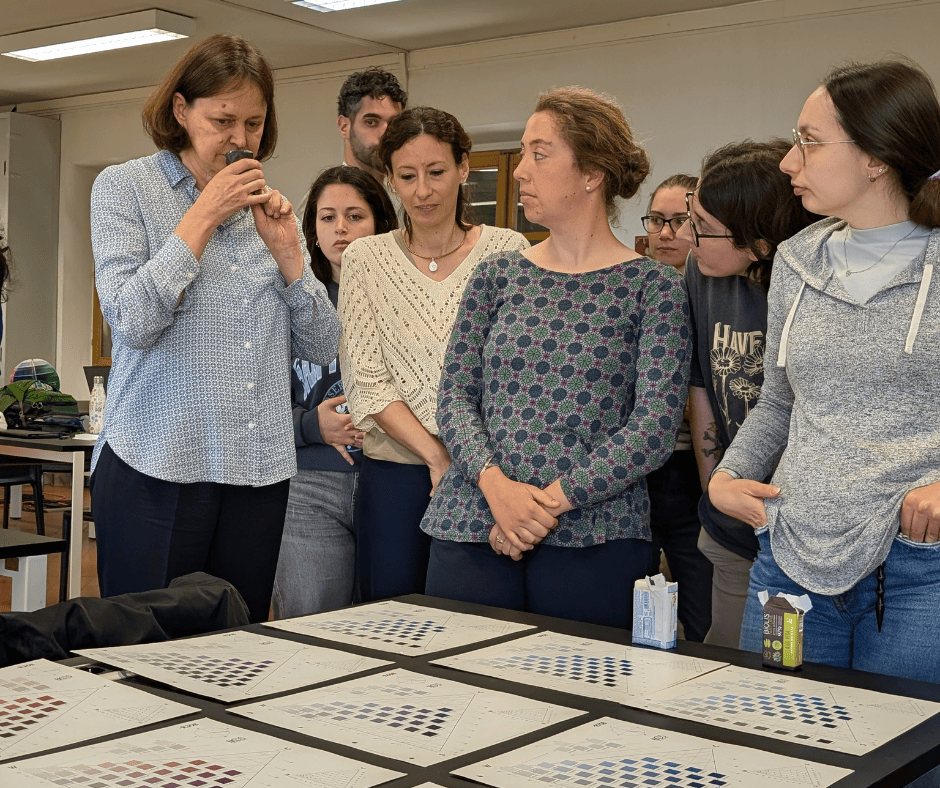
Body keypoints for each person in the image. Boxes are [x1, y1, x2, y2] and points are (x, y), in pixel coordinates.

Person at [89, 34, 339, 624]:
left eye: (253, 123)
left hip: (256, 471)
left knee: (234, 650)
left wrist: (291, 261)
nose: (239, 140)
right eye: (222, 119)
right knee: (144, 652)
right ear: (181, 111)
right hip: (156, 464)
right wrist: (202, 215)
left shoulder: (271, 210)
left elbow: (324, 345)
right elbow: (131, 322)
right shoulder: (124, 189)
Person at [420, 88, 691, 628]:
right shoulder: (498, 275)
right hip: (472, 521)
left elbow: (653, 429)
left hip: (596, 535)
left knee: (579, 700)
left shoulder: (652, 287)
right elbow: (454, 399)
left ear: (591, 171)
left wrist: (542, 508)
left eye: (539, 154)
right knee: (460, 694)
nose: (521, 171)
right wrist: (498, 490)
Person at [709, 59, 940, 682]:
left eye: (809, 142)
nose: (789, 161)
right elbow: (780, 401)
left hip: (919, 566)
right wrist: (727, 477)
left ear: (877, 157)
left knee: (907, 761)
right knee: (780, 744)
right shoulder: (795, 259)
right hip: (790, 551)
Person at [339, 106, 527, 603]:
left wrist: (465, 459)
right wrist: (434, 454)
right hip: (395, 473)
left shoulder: (507, 251)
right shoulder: (365, 258)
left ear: (464, 168)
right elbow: (366, 381)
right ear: (390, 179)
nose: (423, 190)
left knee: (477, 617)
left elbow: (513, 373)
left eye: (437, 172)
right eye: (407, 176)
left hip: (488, 472)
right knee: (391, 620)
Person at [674, 141, 817, 648]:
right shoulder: (703, 272)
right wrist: (717, 487)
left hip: (811, 531)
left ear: (761, 242)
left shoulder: (810, 285)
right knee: (725, 658)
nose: (688, 240)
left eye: (704, 230)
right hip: (732, 528)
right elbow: (701, 386)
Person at [272, 166, 397, 618]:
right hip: (308, 486)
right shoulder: (291, 299)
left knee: (385, 624)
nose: (340, 228)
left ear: (381, 224)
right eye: (327, 218)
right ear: (312, 230)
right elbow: (254, 403)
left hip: (391, 480)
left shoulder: (405, 300)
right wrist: (312, 425)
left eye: (355, 216)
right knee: (308, 624)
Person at [640, 173, 713, 642]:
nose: (665, 233)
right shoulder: (631, 285)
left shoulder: (714, 291)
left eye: (680, 221)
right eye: (656, 220)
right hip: (634, 474)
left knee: (705, 615)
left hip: (696, 474)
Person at [337, 67, 407, 183]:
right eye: (371, 122)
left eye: (394, 123)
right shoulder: (328, 197)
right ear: (344, 127)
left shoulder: (405, 193)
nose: (386, 134)